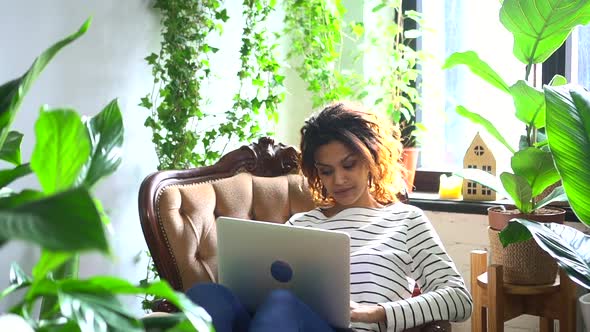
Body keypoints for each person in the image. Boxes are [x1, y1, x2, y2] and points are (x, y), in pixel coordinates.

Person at [187, 102, 473, 332]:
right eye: (326, 171)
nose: (339, 180)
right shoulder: (301, 224)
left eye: (349, 164)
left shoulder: (406, 220)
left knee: (282, 304)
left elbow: (459, 300)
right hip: (281, 322)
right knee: (208, 296)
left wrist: (374, 313)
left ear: (371, 158)